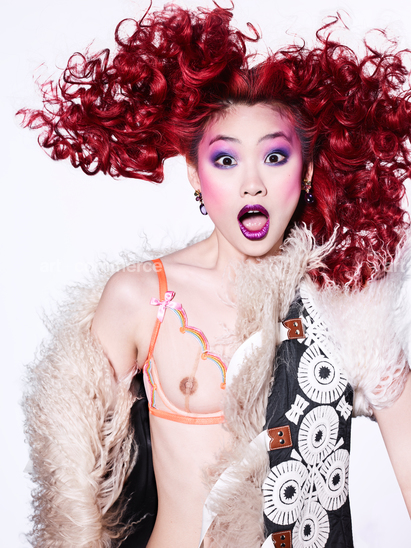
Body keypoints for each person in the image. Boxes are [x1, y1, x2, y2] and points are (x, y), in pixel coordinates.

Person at [20, 3, 411, 547]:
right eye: (226, 160)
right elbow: (75, 485)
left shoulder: (344, 307)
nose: (252, 183)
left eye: (274, 158)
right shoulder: (140, 297)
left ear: (307, 171)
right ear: (194, 173)